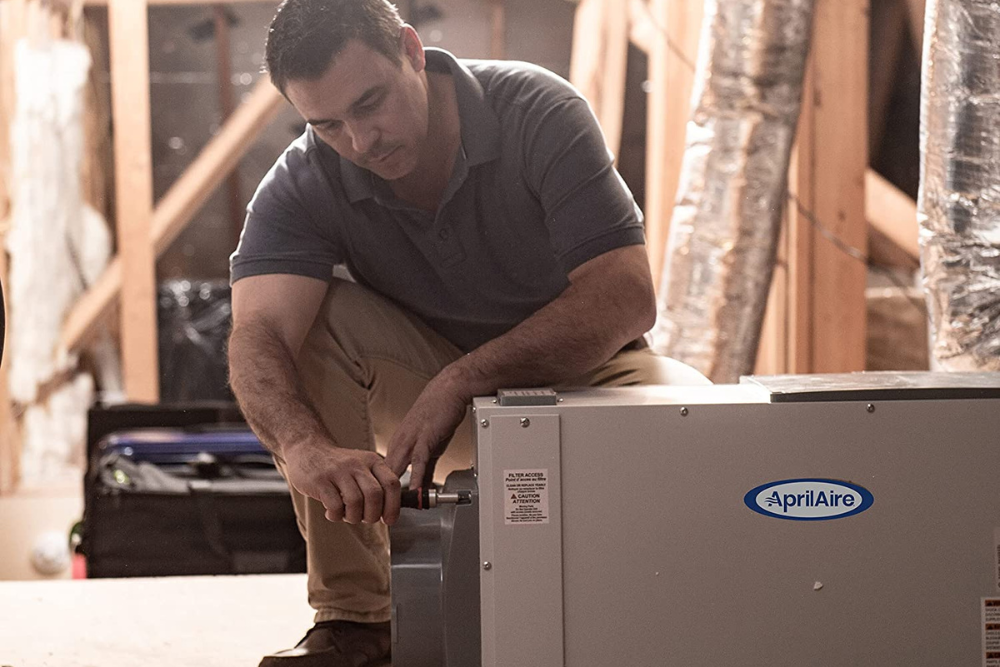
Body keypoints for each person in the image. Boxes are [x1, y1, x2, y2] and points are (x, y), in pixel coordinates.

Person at [228, 1, 708, 665]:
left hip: (589, 379)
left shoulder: (539, 110)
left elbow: (626, 296)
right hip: (428, 402)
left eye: (371, 102)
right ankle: (357, 625)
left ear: (412, 51)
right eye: (329, 123)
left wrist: (467, 376)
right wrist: (302, 445)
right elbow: (257, 337)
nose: (360, 141)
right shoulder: (306, 179)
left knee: (707, 425)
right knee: (302, 329)